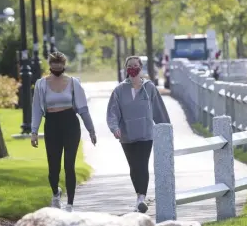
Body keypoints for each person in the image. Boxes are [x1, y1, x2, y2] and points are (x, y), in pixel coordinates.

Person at [31, 51, 97, 212]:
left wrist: (91, 130)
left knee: (69, 165)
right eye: (54, 66)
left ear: (64, 65)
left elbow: (83, 108)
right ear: (50, 66)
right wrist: (34, 131)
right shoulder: (41, 84)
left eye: (60, 66)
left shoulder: (74, 83)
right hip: (52, 124)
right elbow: (36, 110)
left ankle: (70, 204)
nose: (57, 69)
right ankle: (55, 194)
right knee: (53, 167)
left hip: (70, 124)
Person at [106, 56, 171, 213]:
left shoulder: (149, 88)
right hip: (127, 136)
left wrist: (166, 130)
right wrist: (115, 128)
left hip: (145, 135)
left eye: (136, 65)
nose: (133, 68)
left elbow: (159, 110)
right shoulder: (119, 90)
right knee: (134, 166)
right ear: (126, 68)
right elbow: (113, 112)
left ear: (140, 68)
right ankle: (139, 195)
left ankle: (141, 198)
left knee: (142, 164)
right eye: (130, 65)